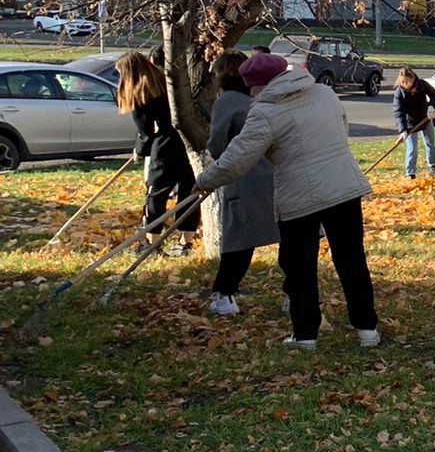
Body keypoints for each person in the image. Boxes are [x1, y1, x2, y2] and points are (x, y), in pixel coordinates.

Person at [194, 52, 381, 352]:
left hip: (298, 197)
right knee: (352, 261)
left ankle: (306, 334)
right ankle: (367, 330)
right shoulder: (325, 93)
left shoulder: (265, 111)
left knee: (300, 267)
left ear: (262, 85)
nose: (251, 92)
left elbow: (237, 158)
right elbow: (340, 129)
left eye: (253, 86)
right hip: (344, 186)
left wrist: (205, 181)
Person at [205, 51, 279, 315]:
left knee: (238, 242)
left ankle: (224, 294)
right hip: (276, 175)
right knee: (291, 238)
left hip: (245, 180)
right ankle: (296, 292)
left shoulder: (227, 101)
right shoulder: (262, 98)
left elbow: (217, 145)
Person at [114, 52, 198, 255]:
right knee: (189, 193)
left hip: (165, 147)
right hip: (189, 142)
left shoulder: (141, 92)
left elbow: (146, 132)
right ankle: (185, 243)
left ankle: (152, 244)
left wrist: (139, 151)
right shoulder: (166, 82)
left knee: (156, 194)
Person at [392, 66, 435, 178]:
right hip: (411, 124)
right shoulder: (399, 93)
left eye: (407, 82)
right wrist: (403, 130)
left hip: (425, 119)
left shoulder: (422, 85)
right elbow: (398, 112)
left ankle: (433, 165)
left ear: (413, 79)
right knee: (412, 148)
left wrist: (431, 106)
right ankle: (410, 173)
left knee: (430, 143)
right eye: (402, 82)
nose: (405, 84)